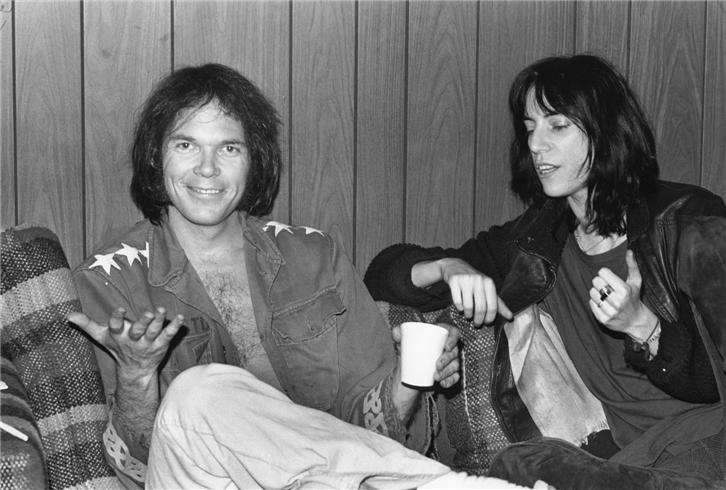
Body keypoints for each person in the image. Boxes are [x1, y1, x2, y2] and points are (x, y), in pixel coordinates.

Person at [67, 63, 482, 489]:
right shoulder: (109, 283)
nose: (207, 168)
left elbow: (375, 430)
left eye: (229, 148)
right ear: (156, 156)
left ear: (253, 161)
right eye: (186, 145)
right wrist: (137, 375)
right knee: (199, 393)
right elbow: (134, 471)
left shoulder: (315, 257)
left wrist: (409, 379)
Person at [364, 53, 726, 488]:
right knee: (520, 464)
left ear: (606, 131)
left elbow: (717, 378)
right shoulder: (537, 241)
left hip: (708, 441)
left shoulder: (692, 221)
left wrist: (644, 327)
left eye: (557, 126)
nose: (536, 144)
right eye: (530, 127)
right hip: (630, 462)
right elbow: (381, 275)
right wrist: (447, 266)